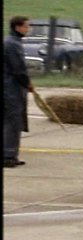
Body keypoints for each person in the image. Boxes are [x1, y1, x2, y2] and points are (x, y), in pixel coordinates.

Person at [4, 16, 34, 168]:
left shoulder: (11, 42)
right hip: (10, 88)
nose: (27, 30)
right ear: (17, 27)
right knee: (13, 121)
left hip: (10, 86)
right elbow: (18, 68)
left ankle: (10, 154)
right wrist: (27, 83)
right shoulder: (12, 44)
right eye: (26, 27)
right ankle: (8, 155)